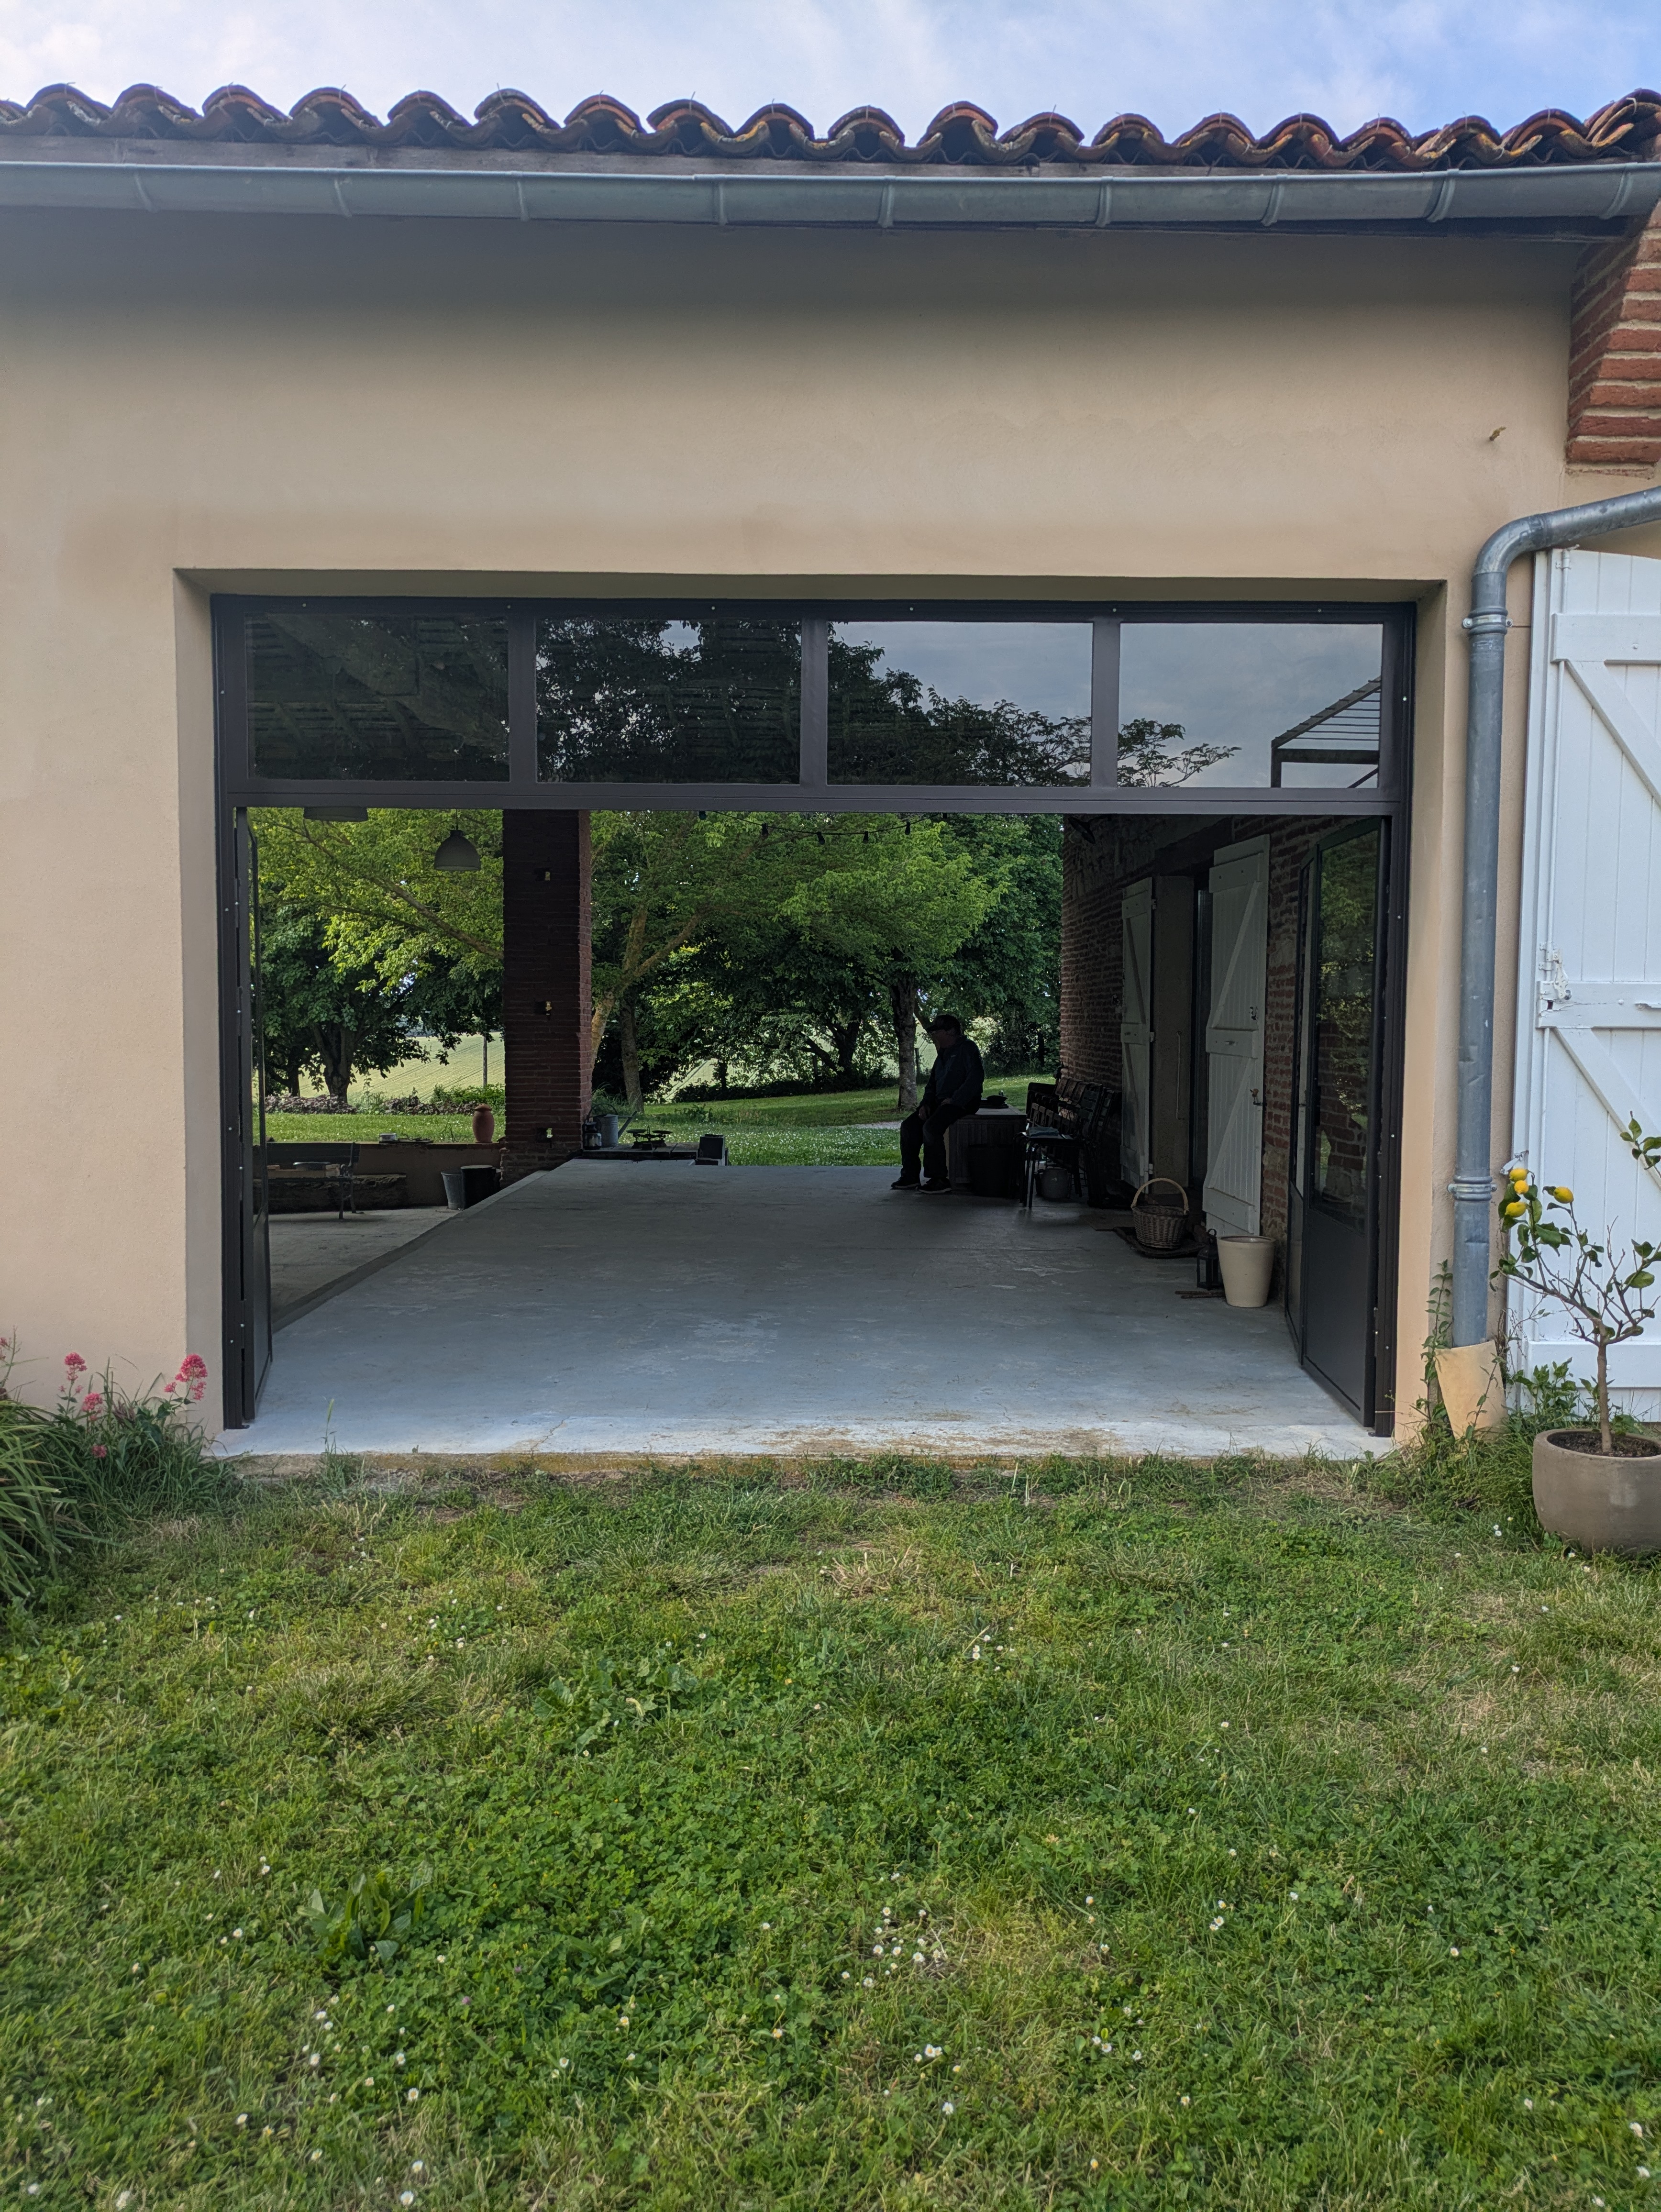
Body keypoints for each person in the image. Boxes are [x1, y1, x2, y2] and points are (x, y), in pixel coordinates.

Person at [892, 1012, 984, 1193]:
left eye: (937, 1031)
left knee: (931, 1128)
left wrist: (956, 1099)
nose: (933, 1035)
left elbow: (976, 1078)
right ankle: (910, 1177)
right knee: (909, 1127)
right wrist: (925, 1104)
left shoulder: (967, 1048)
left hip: (963, 1103)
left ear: (951, 1032)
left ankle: (939, 1179)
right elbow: (933, 1083)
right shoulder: (943, 1052)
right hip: (940, 1102)